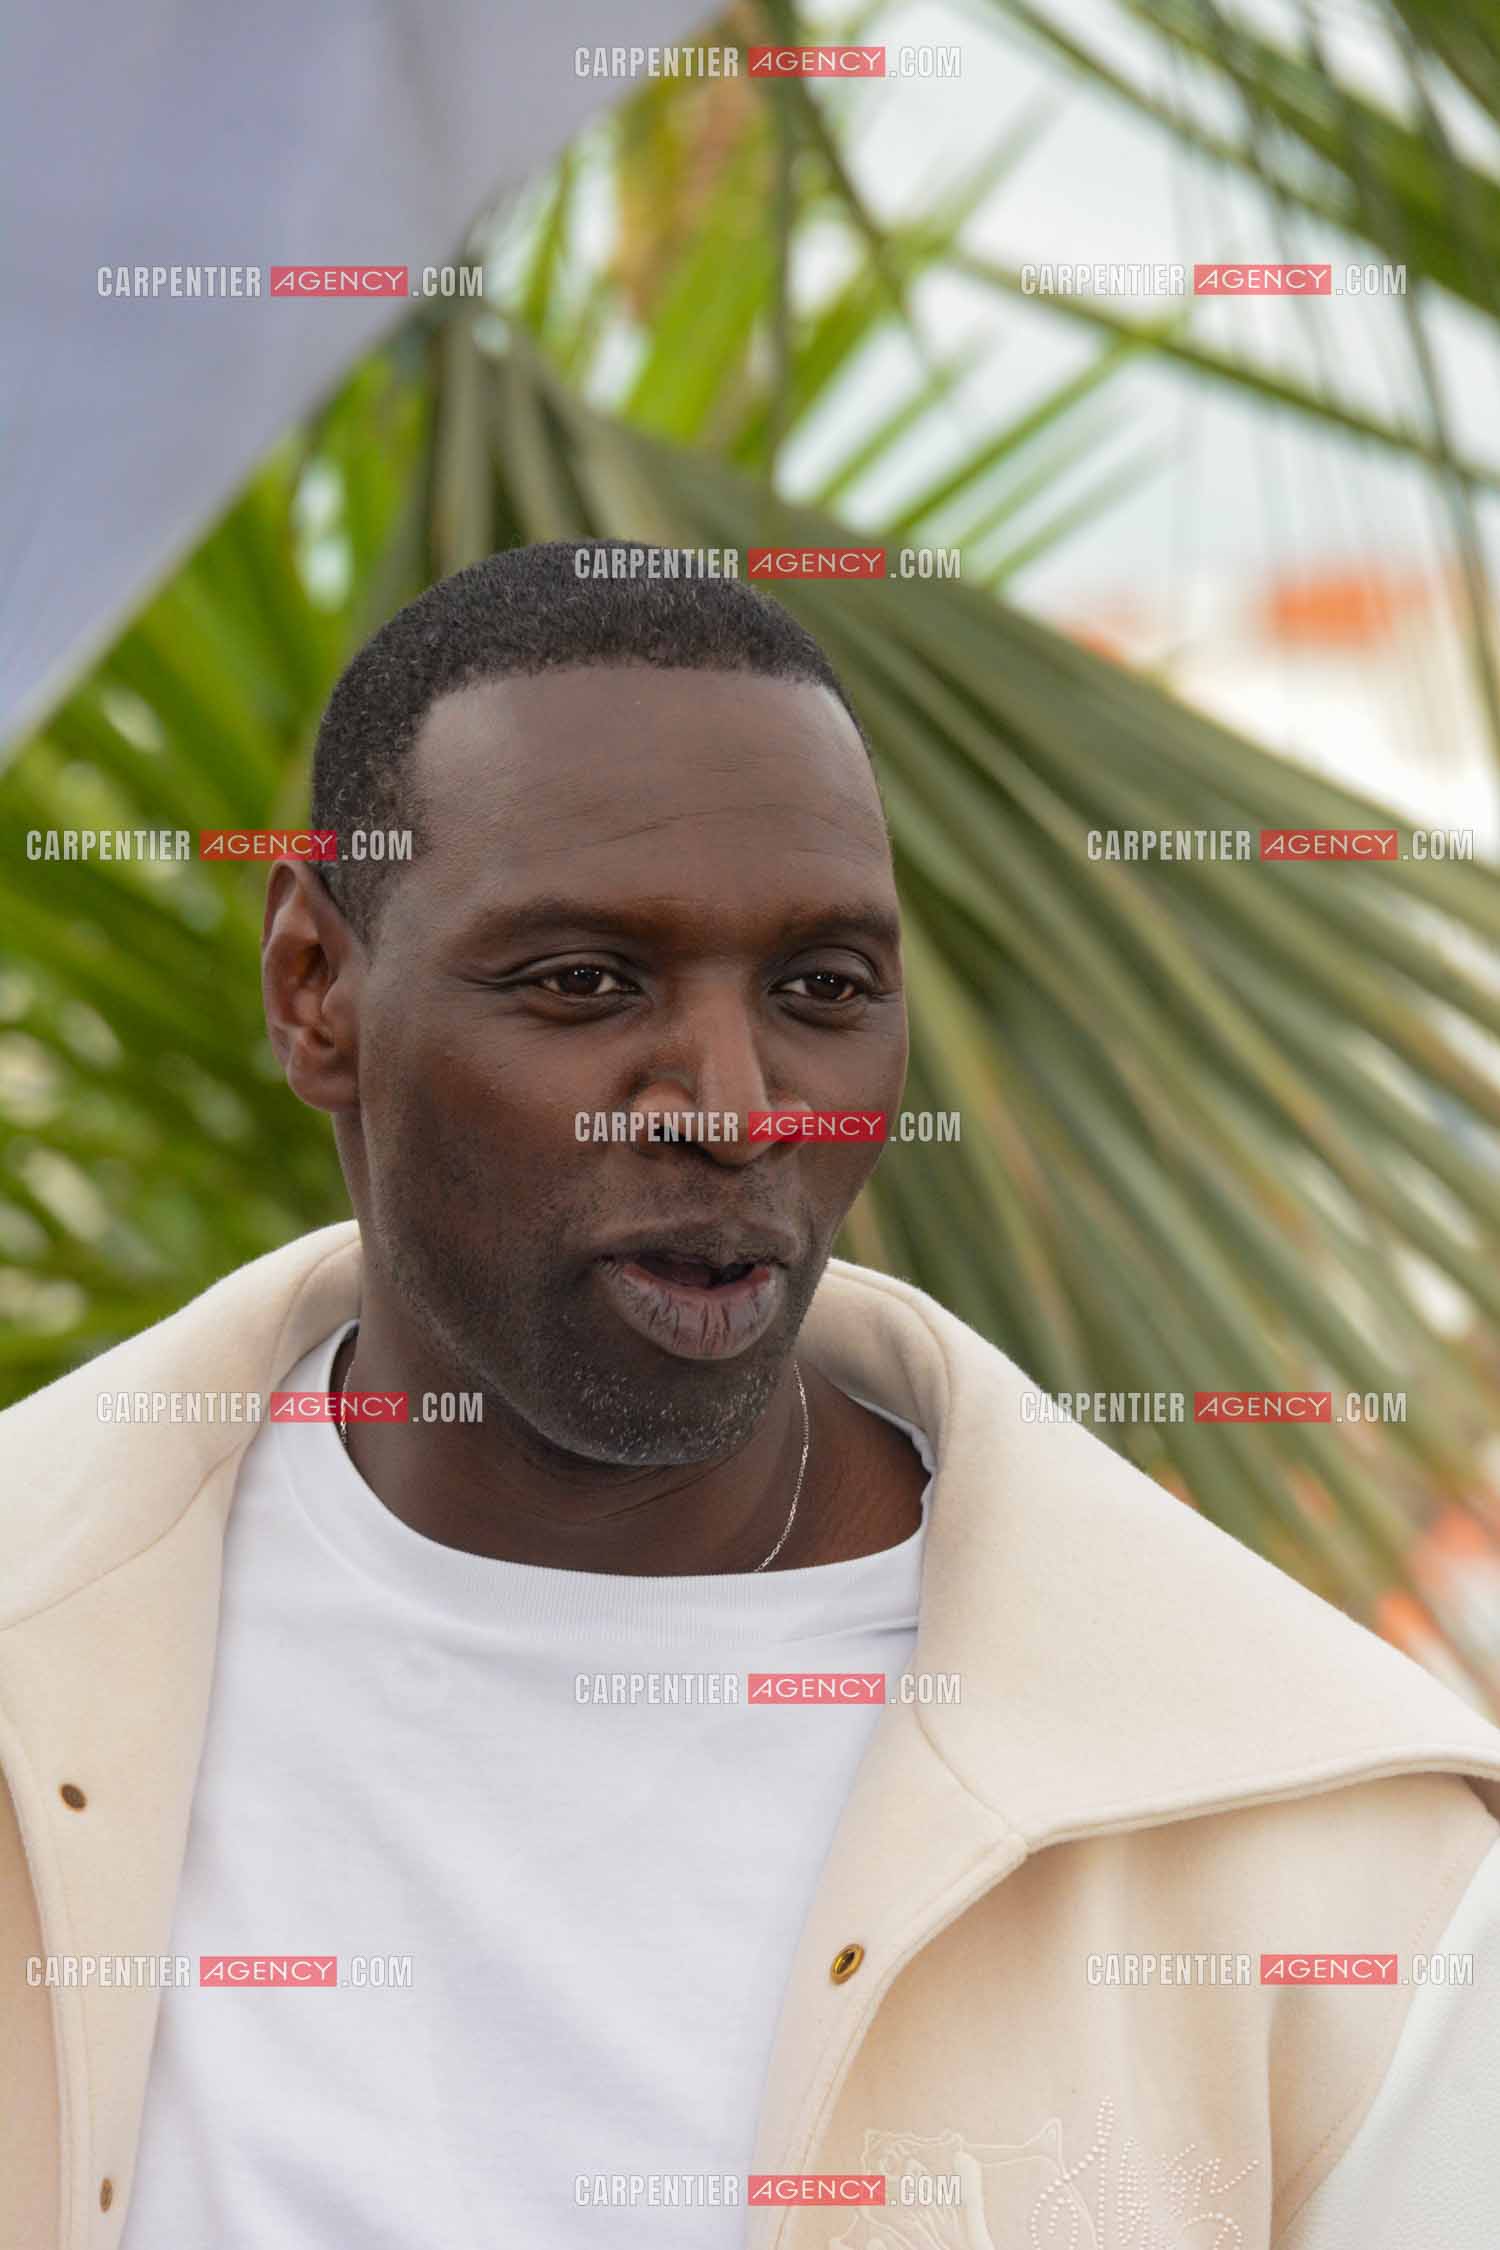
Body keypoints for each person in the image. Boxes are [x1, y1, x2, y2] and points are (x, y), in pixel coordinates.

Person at [3, 542, 1499, 2250]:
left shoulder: (1316, 1840)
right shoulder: (37, 1645)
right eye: (585, 980)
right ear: (314, 989)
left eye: (822, 992)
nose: (733, 1106)